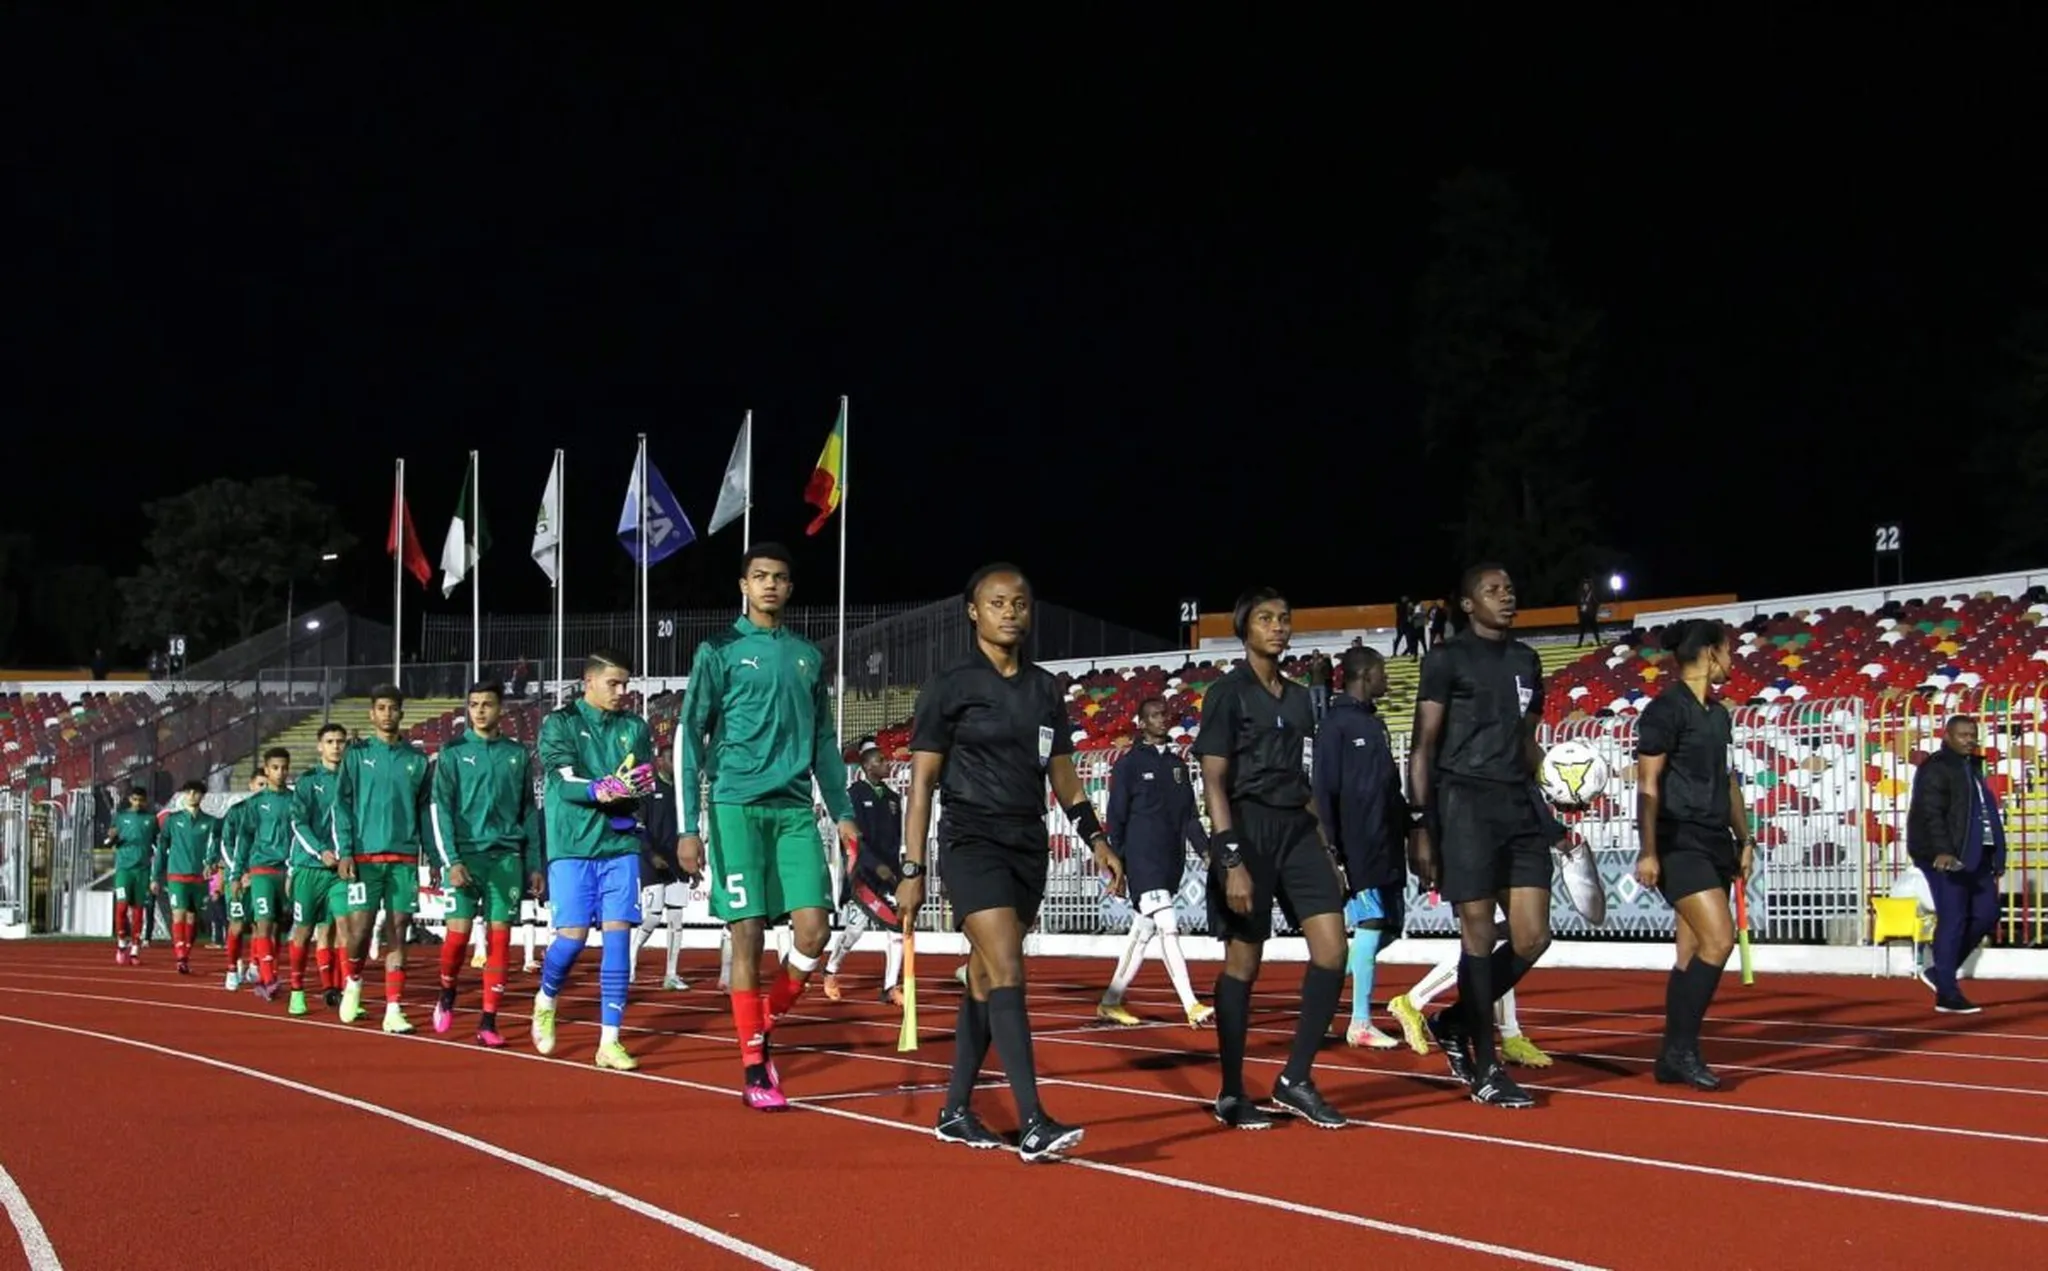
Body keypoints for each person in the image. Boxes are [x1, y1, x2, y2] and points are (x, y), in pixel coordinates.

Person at [902, 563, 1123, 1160]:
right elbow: (922, 783)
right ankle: (1032, 1120)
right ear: (974, 611)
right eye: (997, 603)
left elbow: (1063, 777)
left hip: (1028, 848)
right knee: (1006, 969)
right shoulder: (949, 686)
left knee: (983, 977)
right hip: (971, 841)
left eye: (1020, 603)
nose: (1010, 612)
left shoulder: (1045, 690)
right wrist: (913, 868)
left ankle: (953, 1110)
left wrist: (1097, 840)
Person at [676, 543, 860, 1109]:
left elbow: (825, 743)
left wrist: (845, 811)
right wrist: (689, 825)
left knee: (813, 932)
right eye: (760, 577)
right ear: (743, 585)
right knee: (748, 931)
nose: (770, 586)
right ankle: (754, 1065)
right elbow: (690, 735)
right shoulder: (718, 650)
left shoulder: (807, 655)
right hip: (734, 807)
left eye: (780, 578)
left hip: (795, 811)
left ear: (790, 587)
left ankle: (764, 1018)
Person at [1197, 588, 1350, 1130]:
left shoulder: (1302, 697)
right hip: (1248, 827)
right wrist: (1229, 855)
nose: (1278, 627)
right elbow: (1214, 779)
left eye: (1284, 618)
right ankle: (1233, 1091)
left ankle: (1295, 1079)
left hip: (1298, 827)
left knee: (1333, 951)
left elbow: (1305, 778)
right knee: (1245, 962)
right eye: (1266, 619)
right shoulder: (1226, 694)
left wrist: (1327, 849)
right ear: (1246, 631)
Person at [1406, 564, 1555, 1109]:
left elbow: (1528, 742)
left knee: (1532, 936)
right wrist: (1420, 823)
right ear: (1468, 605)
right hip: (1462, 804)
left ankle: (1453, 1022)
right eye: (1492, 590)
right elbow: (1423, 744)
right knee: (1476, 933)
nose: (1506, 595)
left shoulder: (1527, 661)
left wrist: (1564, 779)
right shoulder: (1445, 659)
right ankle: (1487, 1069)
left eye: (1510, 588)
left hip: (1518, 805)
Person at [1633, 619, 1752, 1087]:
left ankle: (1671, 1056)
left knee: (1690, 953)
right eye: (1729, 650)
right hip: (1677, 839)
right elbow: (1647, 784)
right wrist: (1648, 851)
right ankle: (1683, 1049)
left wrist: (1745, 839)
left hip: (1714, 839)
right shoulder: (1665, 711)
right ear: (1710, 652)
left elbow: (1728, 783)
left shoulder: (1719, 714)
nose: (1732, 660)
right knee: (1719, 941)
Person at [533, 649, 655, 1071]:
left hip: (619, 845)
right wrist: (600, 789)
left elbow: (640, 778)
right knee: (573, 938)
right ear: (589, 682)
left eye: (626, 684)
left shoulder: (635, 727)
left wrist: (640, 786)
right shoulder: (559, 723)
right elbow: (563, 780)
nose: (622, 692)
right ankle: (547, 997)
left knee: (618, 935)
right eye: (613, 684)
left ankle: (610, 1041)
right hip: (571, 845)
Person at [429, 681, 544, 1046]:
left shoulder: (517, 754)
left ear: (500, 710)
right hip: (465, 857)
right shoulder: (452, 752)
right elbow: (440, 810)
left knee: (500, 938)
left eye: (487, 704)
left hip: (507, 857)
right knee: (458, 937)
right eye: (474, 704)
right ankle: (447, 991)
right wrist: (451, 860)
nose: (479, 710)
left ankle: (489, 1020)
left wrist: (535, 862)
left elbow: (529, 810)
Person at [1313, 647, 1409, 1049]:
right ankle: (1361, 1022)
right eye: (1383, 672)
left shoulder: (1375, 724)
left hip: (1386, 840)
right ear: (1366, 674)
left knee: (1391, 926)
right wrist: (1331, 848)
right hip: (1356, 844)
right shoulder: (1335, 725)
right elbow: (1323, 790)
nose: (1387, 679)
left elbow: (1389, 785)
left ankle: (1324, 993)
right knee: (1369, 924)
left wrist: (1411, 825)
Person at [1097, 699, 1213, 1028]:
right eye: (1154, 716)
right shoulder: (1128, 765)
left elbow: (1190, 817)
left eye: (1164, 715)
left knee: (1142, 933)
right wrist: (1116, 864)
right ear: (1141, 723)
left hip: (1169, 860)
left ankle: (1110, 1000)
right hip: (1141, 858)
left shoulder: (1177, 765)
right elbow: (1116, 818)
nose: (1161, 720)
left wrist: (1206, 852)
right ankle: (1190, 1004)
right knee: (1168, 926)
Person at [334, 686, 433, 1033]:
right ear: (371, 714)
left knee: (398, 928)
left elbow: (424, 811)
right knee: (359, 930)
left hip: (404, 858)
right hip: (364, 858)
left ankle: (393, 1009)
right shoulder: (356, 756)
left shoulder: (417, 760)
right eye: (381, 708)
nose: (387, 713)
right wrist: (345, 851)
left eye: (393, 708)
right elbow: (342, 805)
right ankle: (354, 982)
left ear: (401, 713)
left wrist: (432, 856)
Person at [1905, 714, 2005, 1015]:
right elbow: (1930, 813)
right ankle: (1947, 994)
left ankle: (1939, 973)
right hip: (1946, 857)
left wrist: (1997, 853)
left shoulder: (1972, 767)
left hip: (1978, 854)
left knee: (1987, 913)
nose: (1969, 739)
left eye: (1973, 734)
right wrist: (1942, 850)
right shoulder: (1937, 767)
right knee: (1954, 917)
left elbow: (1985, 815)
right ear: (1947, 736)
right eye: (1962, 735)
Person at [823, 737, 907, 1006]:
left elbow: (896, 838)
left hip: (889, 875)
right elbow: (854, 838)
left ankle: (890, 986)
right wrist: (873, 865)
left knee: (896, 930)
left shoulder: (894, 798)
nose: (886, 765)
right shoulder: (854, 795)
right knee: (855, 930)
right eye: (880, 761)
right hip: (865, 874)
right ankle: (831, 969)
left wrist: (896, 872)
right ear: (868, 766)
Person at [286, 727, 351, 1015]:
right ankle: (297, 990)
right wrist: (320, 851)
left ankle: (346, 991)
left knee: (345, 929)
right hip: (310, 867)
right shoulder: (308, 781)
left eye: (340, 742)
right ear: (319, 747)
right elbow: (298, 823)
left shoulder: (353, 780)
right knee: (305, 931)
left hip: (341, 870)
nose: (336, 747)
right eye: (330, 742)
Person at [226, 749, 296, 1003]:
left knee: (277, 926)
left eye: (284, 768)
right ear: (266, 770)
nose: (280, 772)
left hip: (287, 872)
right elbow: (243, 839)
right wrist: (236, 874)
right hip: (262, 871)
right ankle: (268, 978)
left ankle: (270, 971)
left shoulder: (296, 801)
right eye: (275, 768)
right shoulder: (255, 804)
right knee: (263, 922)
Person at [630, 751, 691, 992]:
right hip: (652, 861)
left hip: (677, 862)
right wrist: (650, 853)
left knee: (676, 919)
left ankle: (671, 974)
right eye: (670, 759)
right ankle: (630, 960)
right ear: (660, 762)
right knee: (653, 916)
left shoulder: (681, 791)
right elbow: (638, 827)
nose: (675, 763)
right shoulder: (647, 790)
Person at [154, 781, 218, 975]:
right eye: (188, 792)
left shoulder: (210, 822)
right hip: (177, 874)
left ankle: (186, 954)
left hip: (198, 877)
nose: (191, 795)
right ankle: (180, 955)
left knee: (192, 917)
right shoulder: (172, 820)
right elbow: (161, 848)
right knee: (178, 913)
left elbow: (214, 846)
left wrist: (211, 862)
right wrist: (155, 875)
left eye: (196, 792)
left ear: (202, 796)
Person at [219, 771, 268, 988]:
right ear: (251, 785)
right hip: (240, 877)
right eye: (260, 784)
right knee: (237, 925)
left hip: (263, 876)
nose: (264, 787)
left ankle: (255, 966)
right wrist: (238, 873)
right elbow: (225, 845)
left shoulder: (277, 810)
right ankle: (232, 969)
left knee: (262, 925)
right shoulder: (237, 812)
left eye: (267, 784)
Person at [104, 785, 158, 966]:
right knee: (121, 907)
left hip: (142, 870)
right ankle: (121, 943)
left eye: (141, 800)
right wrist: (112, 838)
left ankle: (135, 949)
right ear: (129, 799)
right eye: (134, 799)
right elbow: (109, 840)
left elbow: (157, 844)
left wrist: (155, 872)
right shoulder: (120, 818)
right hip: (124, 870)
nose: (137, 803)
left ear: (145, 801)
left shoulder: (151, 819)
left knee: (138, 910)